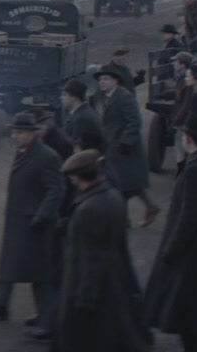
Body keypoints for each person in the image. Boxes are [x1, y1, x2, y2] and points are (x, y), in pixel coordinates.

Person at [143, 116, 197, 352]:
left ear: (189, 138)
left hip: (194, 254)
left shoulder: (196, 170)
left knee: (191, 320)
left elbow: (189, 218)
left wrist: (170, 252)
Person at [53, 150, 151, 352]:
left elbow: (92, 258)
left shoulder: (89, 208)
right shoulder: (113, 196)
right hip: (114, 282)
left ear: (77, 176)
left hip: (93, 291)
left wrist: (85, 300)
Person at [0, 112, 65, 340]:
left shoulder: (46, 156)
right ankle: (0, 304)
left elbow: (56, 191)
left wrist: (42, 216)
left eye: (20, 132)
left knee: (40, 275)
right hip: (19, 222)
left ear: (32, 133)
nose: (15, 136)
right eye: (14, 132)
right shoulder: (24, 152)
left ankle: (48, 323)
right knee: (8, 264)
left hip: (35, 225)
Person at [95, 64, 159, 227]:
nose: (102, 82)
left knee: (121, 184)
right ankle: (150, 207)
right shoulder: (107, 97)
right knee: (128, 183)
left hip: (126, 149)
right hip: (115, 147)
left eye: (106, 79)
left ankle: (123, 221)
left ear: (115, 81)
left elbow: (134, 122)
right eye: (100, 79)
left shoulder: (124, 97)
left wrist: (125, 142)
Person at [59, 79, 101, 149]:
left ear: (74, 97)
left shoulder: (82, 118)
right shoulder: (84, 112)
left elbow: (75, 146)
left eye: (64, 95)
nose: (61, 98)